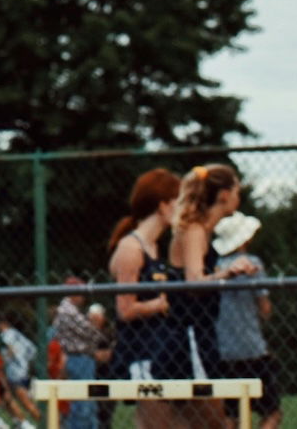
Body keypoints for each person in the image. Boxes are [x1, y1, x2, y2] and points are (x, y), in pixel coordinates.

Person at [169, 165, 256, 429]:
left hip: (203, 331)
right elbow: (193, 281)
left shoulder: (203, 232)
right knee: (216, 420)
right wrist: (228, 273)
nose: (238, 198)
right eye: (237, 191)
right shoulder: (194, 230)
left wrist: (219, 271)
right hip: (189, 334)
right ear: (224, 195)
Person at [106, 167, 186, 429]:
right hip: (142, 351)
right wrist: (162, 303)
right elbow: (125, 309)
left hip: (164, 349)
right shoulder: (131, 248)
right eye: (178, 202)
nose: (182, 209)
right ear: (163, 206)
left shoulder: (155, 247)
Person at [212, 212, 281, 429]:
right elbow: (264, 308)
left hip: (222, 349)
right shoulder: (252, 264)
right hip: (251, 348)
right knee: (272, 411)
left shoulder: (215, 268)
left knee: (230, 415)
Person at [50, 277, 109, 429]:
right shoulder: (67, 310)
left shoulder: (70, 310)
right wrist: (96, 324)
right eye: (81, 293)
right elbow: (91, 333)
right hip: (78, 358)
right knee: (82, 405)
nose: (83, 297)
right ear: (74, 293)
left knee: (88, 404)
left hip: (82, 358)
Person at [0, 313, 38, 427]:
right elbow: (32, 351)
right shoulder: (18, 334)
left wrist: (3, 359)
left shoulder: (6, 334)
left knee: (20, 402)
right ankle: (23, 423)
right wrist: (24, 362)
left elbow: (10, 349)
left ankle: (42, 424)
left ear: (2, 324)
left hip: (13, 372)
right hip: (23, 371)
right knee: (11, 401)